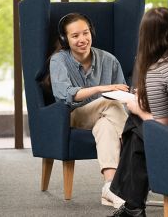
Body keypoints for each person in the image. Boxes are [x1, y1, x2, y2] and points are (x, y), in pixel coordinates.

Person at [107, 7, 168, 217]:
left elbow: (163, 126)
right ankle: (132, 207)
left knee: (135, 124)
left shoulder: (157, 70)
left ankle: (132, 206)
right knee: (137, 132)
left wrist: (139, 109)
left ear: (145, 36)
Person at [49, 12, 128, 209]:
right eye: (75, 36)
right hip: (74, 115)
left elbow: (124, 95)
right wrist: (103, 89)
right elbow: (64, 94)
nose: (82, 39)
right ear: (64, 39)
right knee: (111, 103)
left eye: (86, 33)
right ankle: (139, 151)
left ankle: (110, 188)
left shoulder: (109, 60)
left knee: (106, 126)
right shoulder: (59, 60)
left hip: (106, 114)